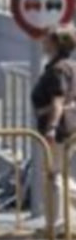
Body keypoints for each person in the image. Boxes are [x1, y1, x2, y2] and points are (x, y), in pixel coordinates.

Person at [32, 25, 76, 228]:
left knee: (53, 175)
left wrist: (51, 128)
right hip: (69, 125)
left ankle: (57, 222)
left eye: (47, 39)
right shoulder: (70, 66)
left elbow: (58, 101)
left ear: (56, 44)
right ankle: (65, 220)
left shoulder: (58, 69)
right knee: (61, 172)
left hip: (58, 129)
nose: (43, 42)